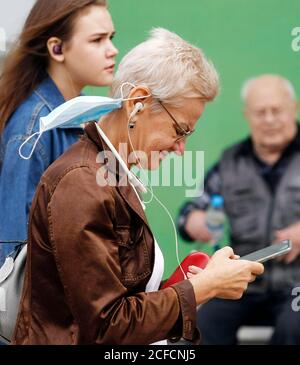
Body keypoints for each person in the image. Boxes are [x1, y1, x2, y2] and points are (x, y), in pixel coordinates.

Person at [11, 28, 264, 345]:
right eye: (180, 130)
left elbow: (121, 299)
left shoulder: (109, 172)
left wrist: (189, 284)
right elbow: (105, 329)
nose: (181, 149)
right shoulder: (81, 183)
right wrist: (203, 288)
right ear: (138, 103)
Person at [177, 74, 300, 345]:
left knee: (294, 328)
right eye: (260, 112)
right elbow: (190, 212)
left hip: (296, 287)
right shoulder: (230, 163)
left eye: (276, 110)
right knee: (200, 326)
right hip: (243, 285)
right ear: (248, 116)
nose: (268, 119)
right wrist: (195, 221)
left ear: (294, 108)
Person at [0, 0, 118, 266]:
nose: (112, 50)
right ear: (56, 48)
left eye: (111, 38)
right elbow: (13, 252)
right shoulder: (31, 130)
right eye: (97, 40)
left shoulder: (89, 118)